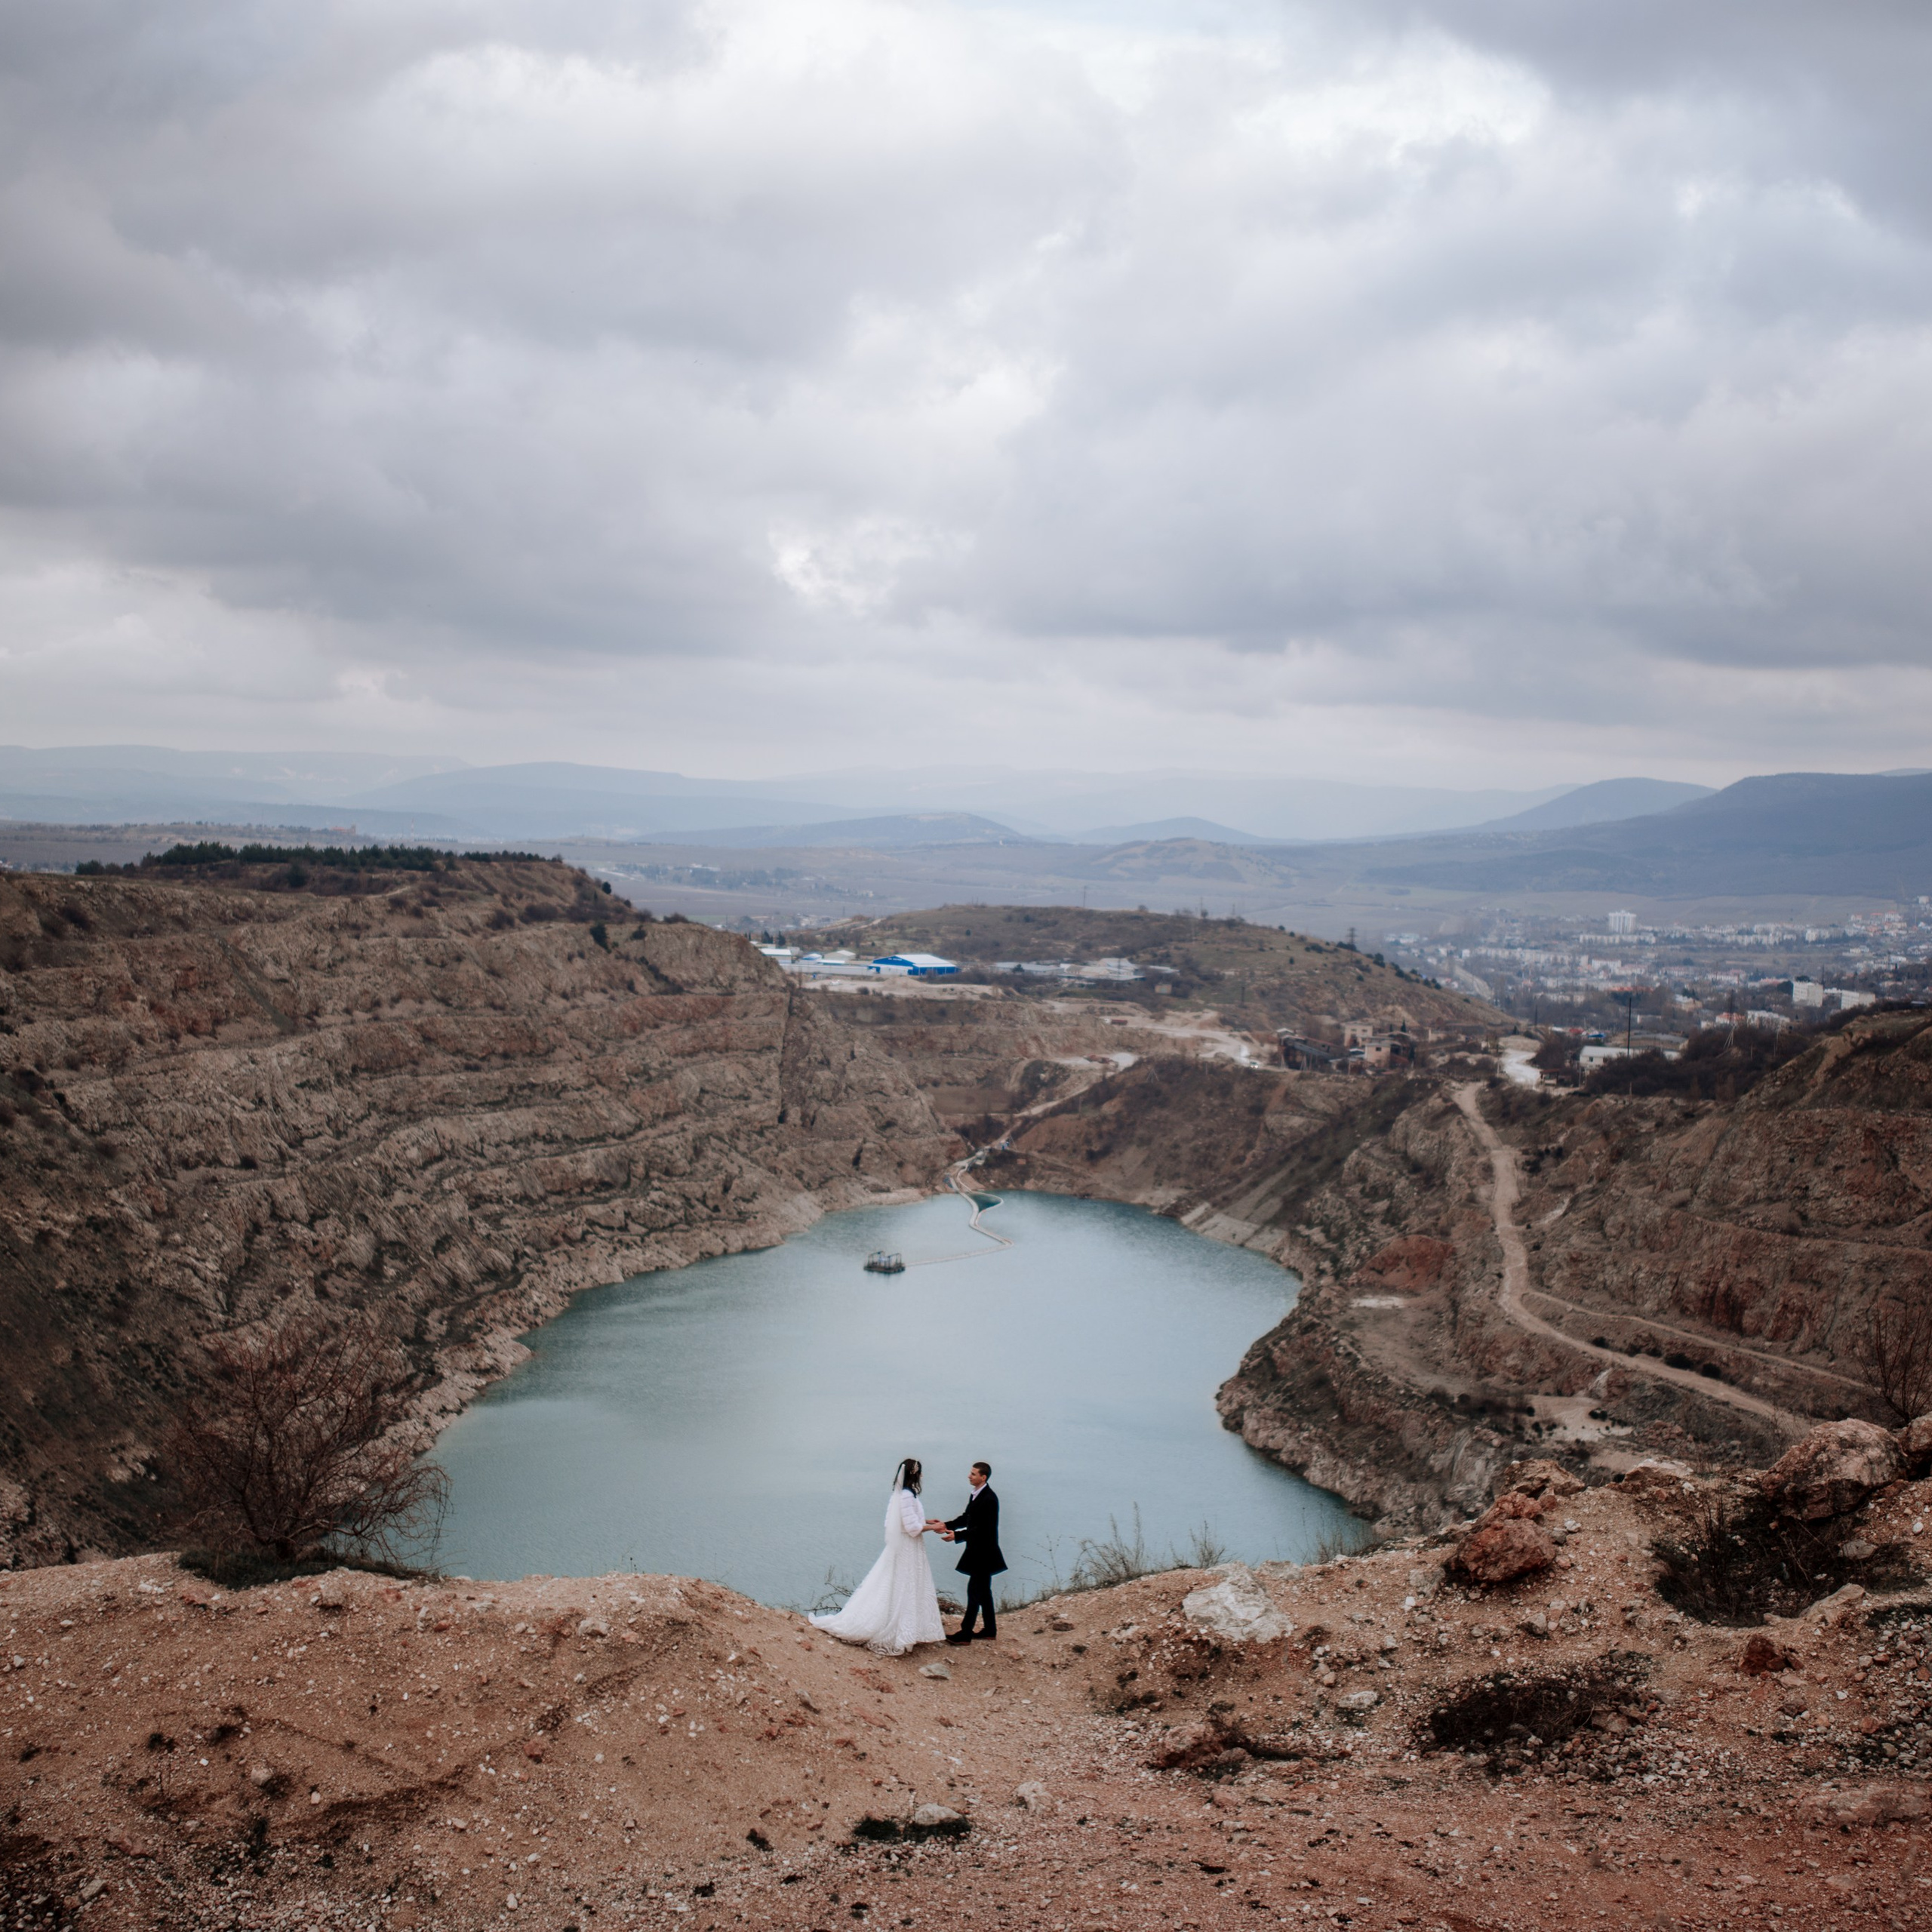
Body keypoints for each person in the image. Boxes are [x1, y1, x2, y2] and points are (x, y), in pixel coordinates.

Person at [808, 1457, 946, 1657]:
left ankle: (906, 1629)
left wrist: (926, 1520)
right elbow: (912, 1528)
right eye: (921, 1473)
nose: (922, 1476)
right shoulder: (907, 1495)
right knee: (904, 1586)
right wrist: (934, 1527)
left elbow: (906, 1520)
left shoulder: (902, 1494)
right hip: (908, 1547)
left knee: (900, 1585)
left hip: (907, 1546)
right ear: (915, 1474)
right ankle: (899, 1632)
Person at [940, 1460, 1005, 1644]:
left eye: (974, 1474)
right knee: (984, 1592)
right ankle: (990, 1630)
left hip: (985, 1554)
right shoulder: (978, 1494)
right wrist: (946, 1526)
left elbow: (983, 1530)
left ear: (983, 1478)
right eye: (971, 1473)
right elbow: (967, 1518)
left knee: (974, 1591)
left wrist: (957, 1536)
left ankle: (965, 1634)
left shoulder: (990, 1499)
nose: (969, 1476)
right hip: (979, 1551)